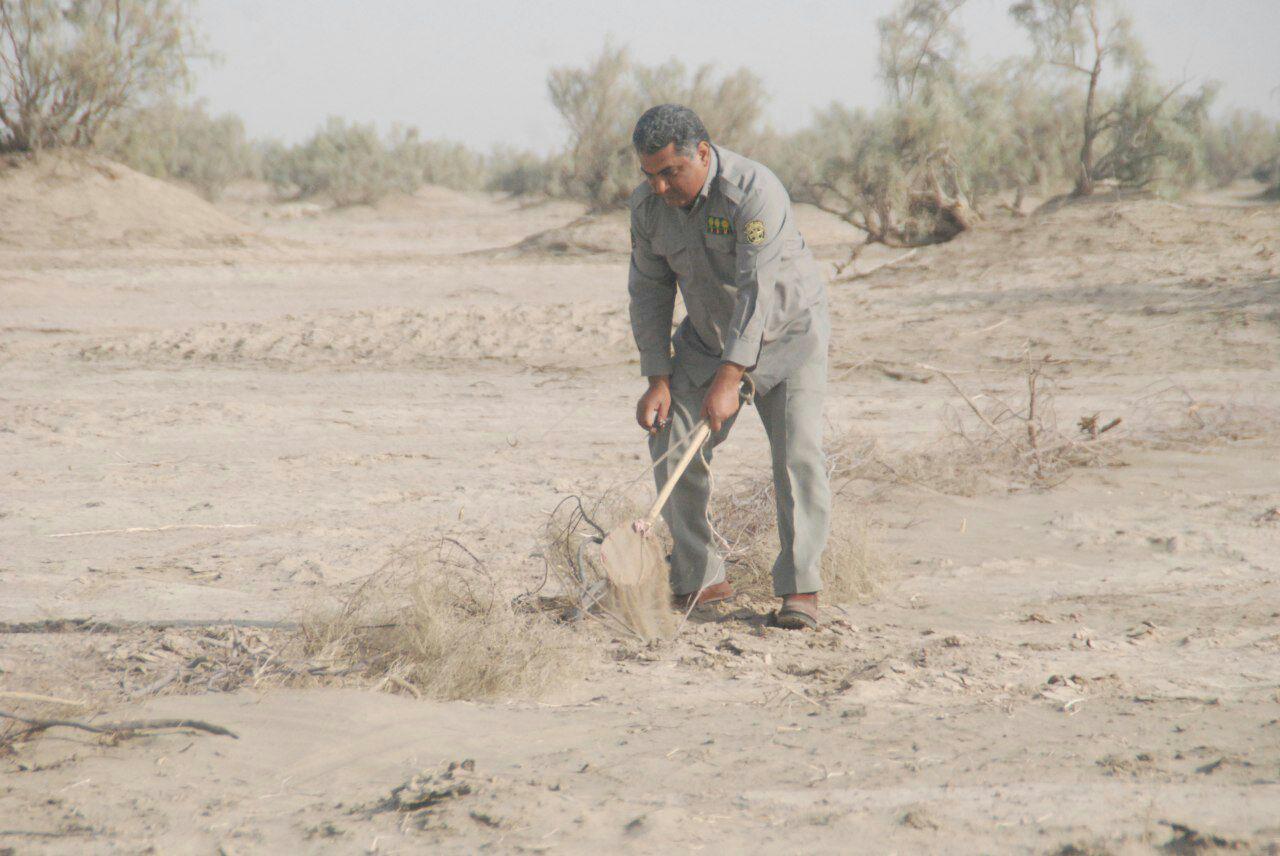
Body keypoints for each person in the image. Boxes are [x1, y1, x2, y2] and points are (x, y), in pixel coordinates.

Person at [626, 104, 831, 630]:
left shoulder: (754, 192)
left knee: (797, 456)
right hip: (705, 337)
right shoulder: (648, 208)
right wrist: (658, 378)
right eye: (649, 175)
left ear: (702, 153)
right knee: (671, 442)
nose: (660, 187)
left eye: (671, 173)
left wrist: (731, 377)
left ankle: (800, 587)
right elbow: (649, 289)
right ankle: (700, 577)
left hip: (787, 334)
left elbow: (756, 293)